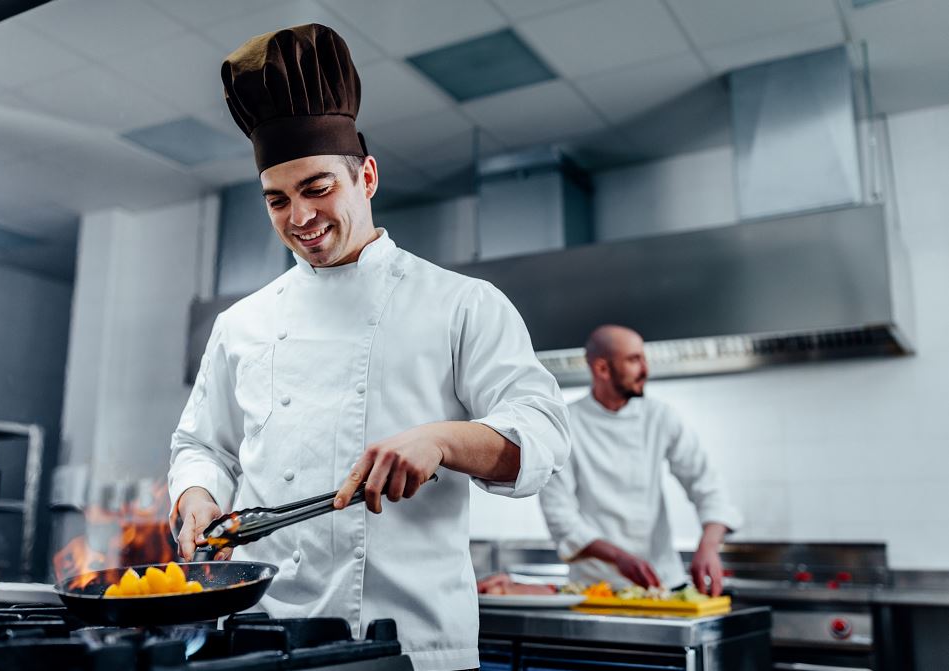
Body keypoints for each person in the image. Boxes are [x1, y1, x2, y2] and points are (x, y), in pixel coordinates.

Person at [167, 24, 570, 671]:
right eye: (278, 199)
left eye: (317, 188)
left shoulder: (461, 303)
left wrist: (440, 439)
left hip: (409, 642)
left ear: (368, 176)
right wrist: (196, 497)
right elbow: (201, 446)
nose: (299, 217)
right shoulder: (241, 322)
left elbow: (542, 436)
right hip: (259, 637)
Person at [539, 325, 740, 596]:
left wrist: (708, 546)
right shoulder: (566, 426)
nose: (645, 369)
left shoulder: (660, 417)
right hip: (597, 591)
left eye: (643, 358)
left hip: (663, 583)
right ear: (602, 369)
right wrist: (619, 557)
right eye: (634, 360)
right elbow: (561, 518)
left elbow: (706, 483)